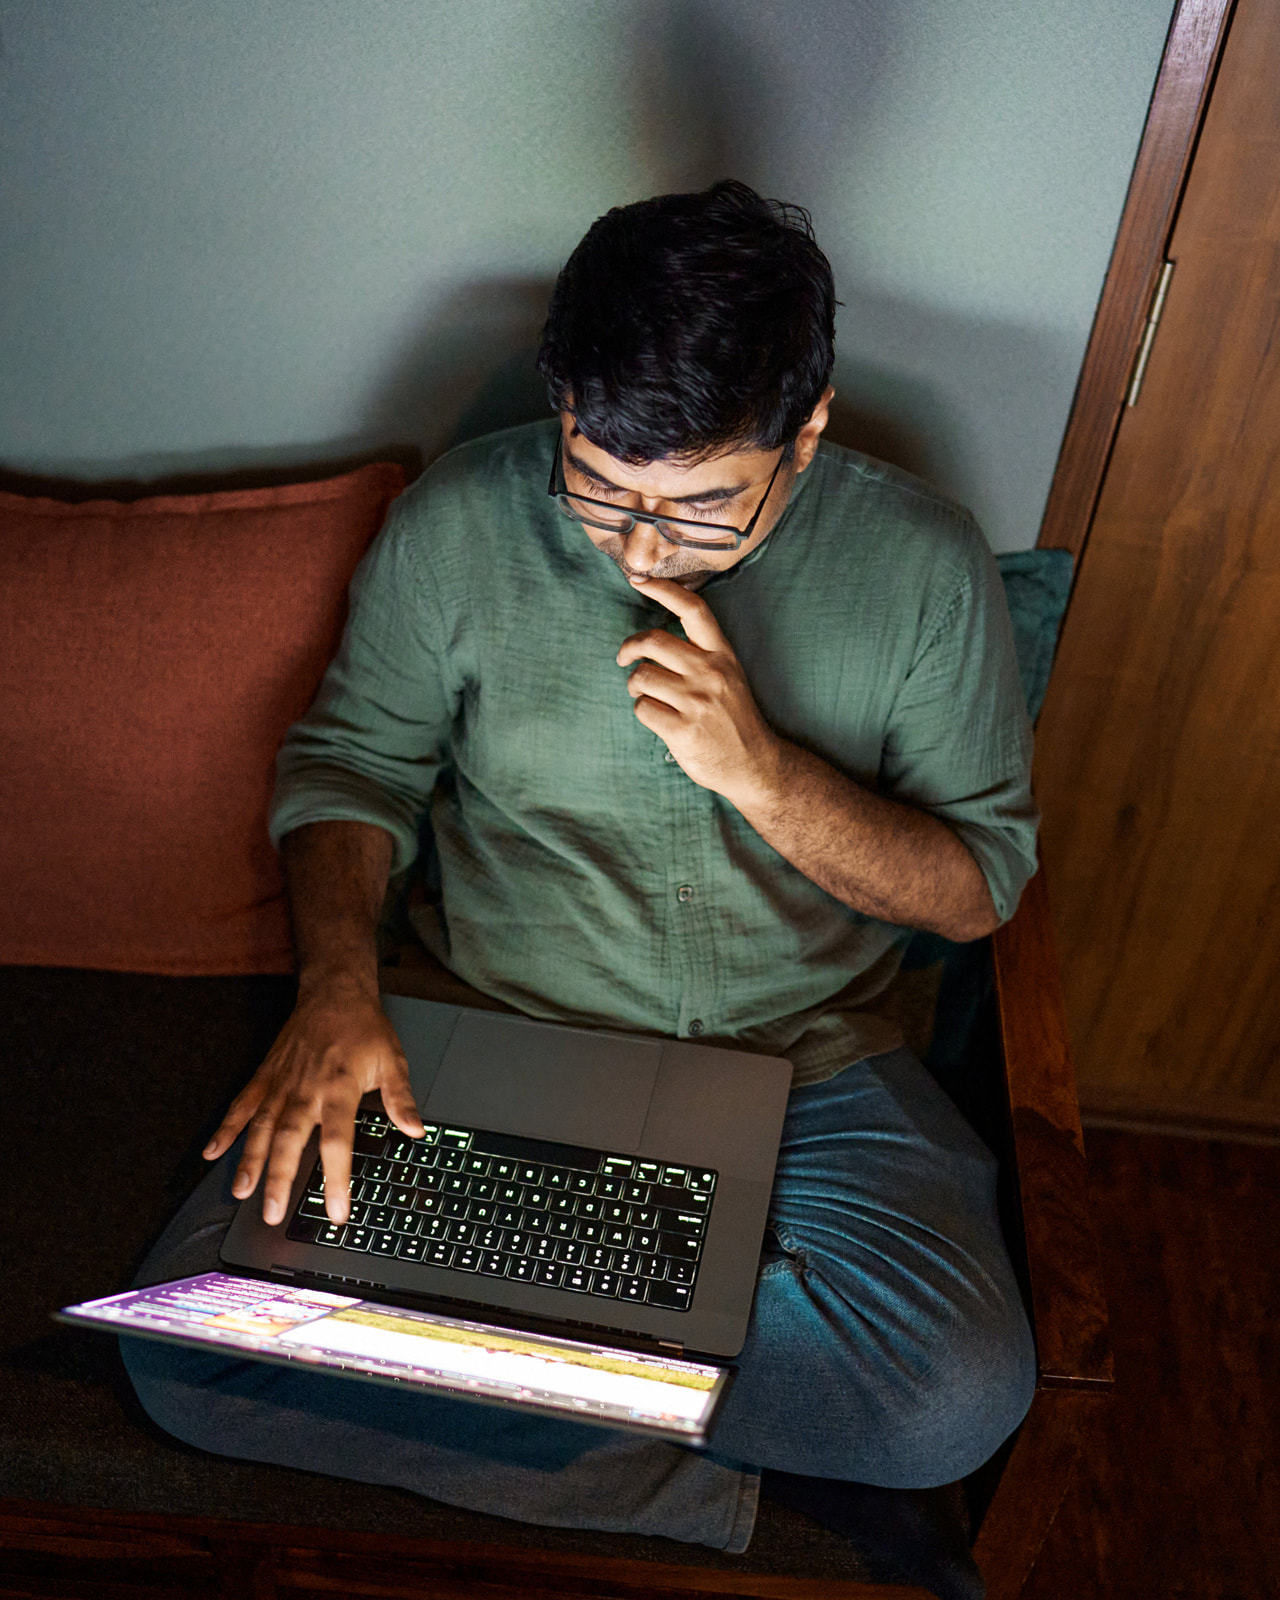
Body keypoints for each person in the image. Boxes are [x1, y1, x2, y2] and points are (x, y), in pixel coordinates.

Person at [123, 181, 1038, 1571]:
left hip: (808, 1066)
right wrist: (338, 985)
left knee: (952, 1396)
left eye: (702, 508)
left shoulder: (923, 564)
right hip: (492, 1034)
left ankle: (483, 1374)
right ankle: (721, 1483)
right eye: (601, 487)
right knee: (193, 1351)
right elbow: (349, 772)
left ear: (808, 432)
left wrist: (767, 776)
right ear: (564, 404)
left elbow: (977, 888)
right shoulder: (461, 523)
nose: (645, 548)